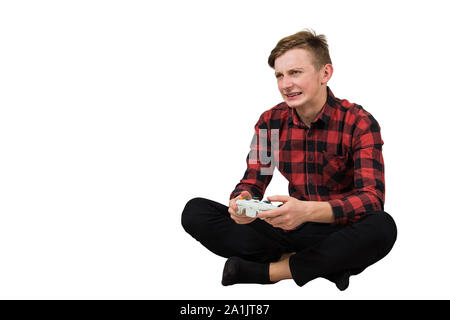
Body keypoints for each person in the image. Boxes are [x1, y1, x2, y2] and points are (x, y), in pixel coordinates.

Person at [181, 29, 397, 290]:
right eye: (279, 75)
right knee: (196, 212)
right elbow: (254, 178)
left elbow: (371, 199)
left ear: (325, 74)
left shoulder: (359, 122)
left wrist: (306, 211)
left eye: (295, 72)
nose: (285, 84)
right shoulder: (270, 121)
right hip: (289, 228)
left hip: (337, 229)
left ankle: (270, 271)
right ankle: (323, 266)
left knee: (382, 227)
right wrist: (243, 201)